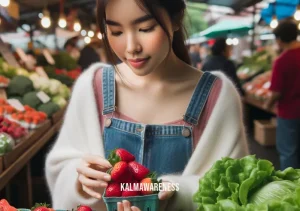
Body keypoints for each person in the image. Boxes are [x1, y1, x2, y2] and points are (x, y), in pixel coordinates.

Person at [45, 0, 249, 210]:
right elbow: (60, 168)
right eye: (116, 32)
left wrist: (178, 192)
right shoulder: (91, 86)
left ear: (176, 18)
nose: (132, 47)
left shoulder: (217, 95)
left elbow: (232, 189)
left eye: (145, 28)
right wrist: (79, 180)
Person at [265, 20, 300, 170]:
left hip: (289, 113)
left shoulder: (282, 61)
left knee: (288, 152)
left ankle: (293, 189)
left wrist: (268, 104)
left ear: (279, 39)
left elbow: (276, 93)